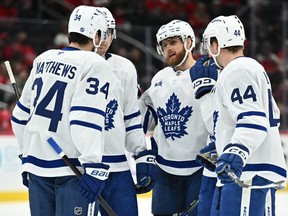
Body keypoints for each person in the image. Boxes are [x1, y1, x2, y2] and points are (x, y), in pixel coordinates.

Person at [11, 5, 118, 215]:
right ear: (96, 35)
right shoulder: (94, 63)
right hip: (72, 170)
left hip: (36, 169)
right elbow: (84, 119)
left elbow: (20, 117)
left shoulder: (43, 59)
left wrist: (26, 156)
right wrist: (93, 163)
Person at [190, 15, 287, 216]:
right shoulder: (247, 68)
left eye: (209, 44)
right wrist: (221, 146)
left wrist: (236, 152)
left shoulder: (237, 70)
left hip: (248, 174)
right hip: (250, 173)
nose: (208, 51)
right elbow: (271, 116)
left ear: (217, 43)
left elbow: (253, 119)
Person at [139, 19, 209, 216]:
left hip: (198, 168)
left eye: (173, 42)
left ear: (188, 43)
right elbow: (146, 120)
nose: (168, 48)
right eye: (164, 44)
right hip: (164, 167)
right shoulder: (159, 78)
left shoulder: (205, 74)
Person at [94, 7, 156, 215]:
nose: (104, 39)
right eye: (98, 32)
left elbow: (130, 116)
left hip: (118, 166)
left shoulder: (124, 68)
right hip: (82, 167)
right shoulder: (74, 65)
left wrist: (141, 153)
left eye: (108, 32)